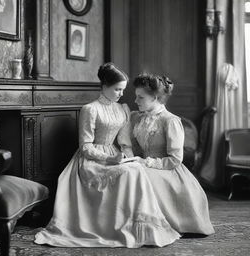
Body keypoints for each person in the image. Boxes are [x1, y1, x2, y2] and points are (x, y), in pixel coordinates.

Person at [34, 63, 181, 248]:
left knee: (135, 169)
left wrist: (129, 159)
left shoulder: (123, 109)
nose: (121, 94)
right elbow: (85, 146)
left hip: (115, 154)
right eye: (117, 89)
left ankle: (138, 227)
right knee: (128, 173)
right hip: (91, 161)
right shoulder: (90, 109)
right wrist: (110, 159)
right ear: (104, 86)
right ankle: (113, 227)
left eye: (123, 89)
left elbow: (125, 142)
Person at [131, 73, 215, 235]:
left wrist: (146, 163)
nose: (136, 101)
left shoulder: (170, 121)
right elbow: (136, 148)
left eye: (140, 98)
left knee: (138, 178)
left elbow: (175, 159)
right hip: (143, 165)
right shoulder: (139, 118)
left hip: (167, 170)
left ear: (155, 97)